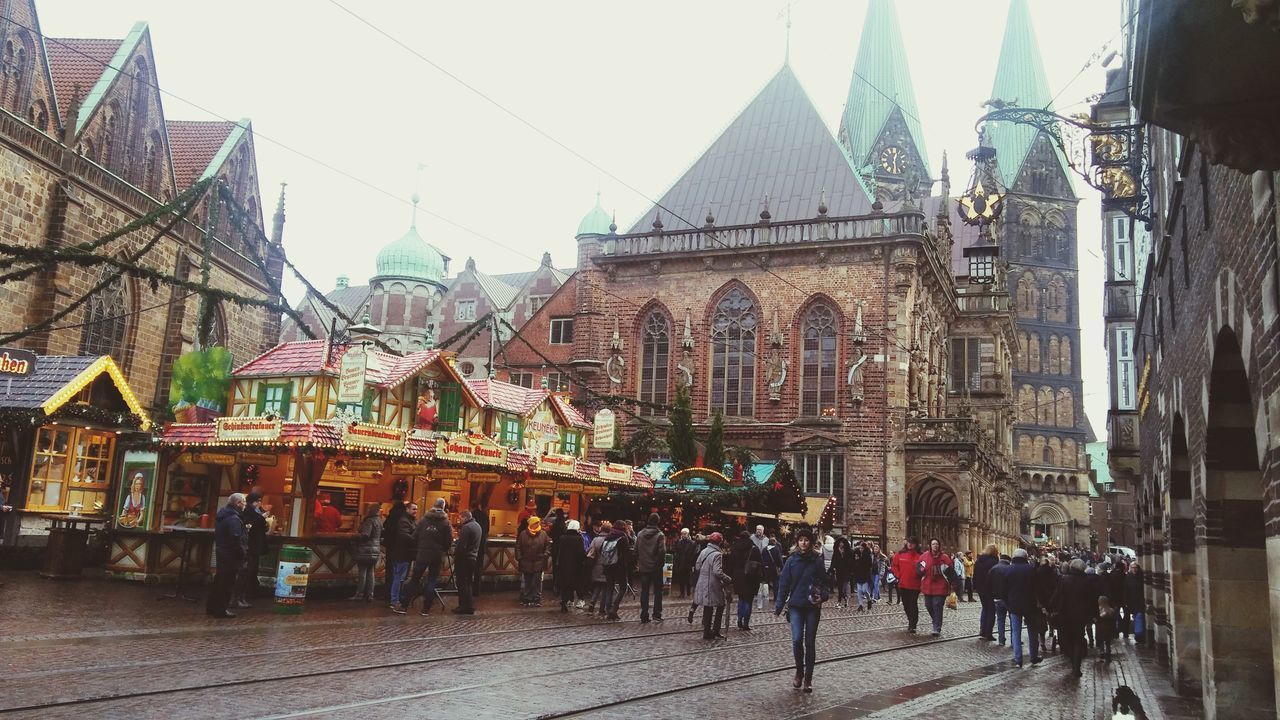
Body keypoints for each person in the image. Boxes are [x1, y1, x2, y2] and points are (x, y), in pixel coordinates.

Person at [774, 527, 829, 693]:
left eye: (806, 540)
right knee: (797, 639)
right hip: (796, 605)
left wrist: (824, 596)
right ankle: (799, 670)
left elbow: (825, 582)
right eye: (801, 540)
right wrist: (779, 605)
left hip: (812, 605)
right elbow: (784, 583)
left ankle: (808, 677)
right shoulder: (791, 560)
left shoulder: (817, 559)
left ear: (811, 542)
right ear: (797, 542)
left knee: (809, 642)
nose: (803, 543)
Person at [398, 498, 452, 615]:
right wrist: (442, 549)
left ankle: (404, 606)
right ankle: (426, 609)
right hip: (437, 555)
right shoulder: (445, 522)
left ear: (433, 505)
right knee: (432, 581)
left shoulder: (424, 520)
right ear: (443, 507)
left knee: (414, 579)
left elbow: (414, 536)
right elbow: (449, 541)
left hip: (422, 554)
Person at [1052, 558, 1097, 677]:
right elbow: (1093, 600)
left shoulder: (1064, 579)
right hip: (1080, 616)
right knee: (1077, 640)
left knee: (1065, 640)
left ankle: (1073, 661)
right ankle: (1076, 667)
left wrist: (1050, 608)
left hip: (1065, 615)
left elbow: (1057, 595)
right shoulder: (1087, 581)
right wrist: (1094, 615)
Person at [207, 493, 247, 618]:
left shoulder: (224, 515)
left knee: (219, 581)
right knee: (227, 583)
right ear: (238, 503)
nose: (245, 504)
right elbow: (236, 538)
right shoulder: (233, 519)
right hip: (231, 555)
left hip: (222, 552)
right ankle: (221, 609)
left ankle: (212, 607)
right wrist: (243, 552)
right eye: (243, 502)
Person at [1005, 548, 1042, 668]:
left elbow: (1004, 589)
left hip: (1014, 605)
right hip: (1030, 605)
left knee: (1016, 632)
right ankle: (1033, 656)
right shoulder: (1031, 569)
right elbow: (1037, 587)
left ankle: (1018, 660)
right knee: (1032, 631)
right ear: (1025, 557)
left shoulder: (1008, 569)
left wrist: (1008, 602)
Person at [232, 492, 267, 609]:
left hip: (254, 546)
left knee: (249, 573)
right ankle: (237, 598)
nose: (260, 503)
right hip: (250, 546)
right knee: (244, 573)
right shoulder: (248, 512)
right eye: (258, 500)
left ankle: (242, 597)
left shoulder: (256, 511)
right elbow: (250, 525)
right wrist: (263, 518)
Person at [693, 532, 730, 640]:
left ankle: (707, 632)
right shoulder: (717, 554)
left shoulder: (704, 551)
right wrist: (727, 578)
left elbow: (697, 566)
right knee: (720, 605)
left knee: (708, 607)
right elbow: (717, 571)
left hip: (702, 582)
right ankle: (715, 630)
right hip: (713, 584)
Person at [634, 513, 666, 623]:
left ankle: (644, 615)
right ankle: (657, 614)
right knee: (658, 591)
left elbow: (636, 550)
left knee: (644, 591)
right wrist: (659, 564)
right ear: (658, 521)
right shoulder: (660, 535)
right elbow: (662, 551)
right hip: (656, 568)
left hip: (644, 567)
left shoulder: (640, 534)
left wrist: (640, 562)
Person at [918, 538, 953, 636]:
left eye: (937, 544)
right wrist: (920, 570)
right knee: (928, 606)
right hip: (928, 586)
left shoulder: (944, 558)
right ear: (930, 545)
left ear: (939, 546)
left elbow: (951, 572)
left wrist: (954, 585)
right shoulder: (924, 556)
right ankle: (936, 620)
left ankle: (937, 627)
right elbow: (919, 567)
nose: (935, 546)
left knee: (937, 606)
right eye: (933, 544)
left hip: (941, 586)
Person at [387, 502, 418, 611]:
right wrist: (416, 538)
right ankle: (394, 600)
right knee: (398, 577)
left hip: (406, 554)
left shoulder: (410, 521)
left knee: (401, 578)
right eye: (413, 509)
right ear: (407, 509)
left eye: (416, 509)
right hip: (402, 554)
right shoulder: (404, 521)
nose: (415, 511)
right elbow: (405, 536)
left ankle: (398, 599)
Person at [730, 530, 763, 630]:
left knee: (741, 599)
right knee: (748, 600)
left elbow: (731, 562)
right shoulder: (754, 548)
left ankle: (739, 620)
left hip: (738, 577)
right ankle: (746, 623)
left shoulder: (735, 547)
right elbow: (760, 563)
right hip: (750, 577)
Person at [350, 502, 382, 601]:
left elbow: (365, 535)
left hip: (366, 549)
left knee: (362, 572)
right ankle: (370, 594)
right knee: (371, 572)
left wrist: (355, 535)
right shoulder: (379, 520)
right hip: (375, 548)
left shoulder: (369, 521)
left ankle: (359, 594)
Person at [599, 520, 631, 620]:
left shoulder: (608, 537)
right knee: (623, 588)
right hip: (619, 567)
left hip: (607, 566)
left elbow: (601, 550)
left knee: (610, 587)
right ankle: (614, 608)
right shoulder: (623, 537)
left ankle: (609, 611)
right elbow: (626, 554)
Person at [516, 514, 550, 607]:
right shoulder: (523, 534)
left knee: (537, 582)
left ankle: (536, 599)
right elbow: (518, 547)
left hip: (539, 561)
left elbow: (548, 546)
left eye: (537, 523)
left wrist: (545, 555)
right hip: (526, 561)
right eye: (535, 523)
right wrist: (520, 557)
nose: (537, 524)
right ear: (531, 524)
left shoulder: (543, 534)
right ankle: (527, 599)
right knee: (527, 581)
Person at [890, 538, 922, 633]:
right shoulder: (900, 554)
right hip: (903, 584)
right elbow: (894, 566)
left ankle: (913, 624)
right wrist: (898, 575)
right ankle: (910, 620)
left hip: (915, 585)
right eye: (909, 543)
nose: (910, 544)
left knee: (913, 604)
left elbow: (924, 567)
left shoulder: (920, 556)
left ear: (916, 544)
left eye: (912, 543)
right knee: (906, 604)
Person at [452, 510, 482, 614]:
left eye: (460, 519)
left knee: (462, 583)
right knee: (468, 583)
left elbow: (462, 546)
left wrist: (456, 557)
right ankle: (469, 605)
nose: (460, 521)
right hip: (473, 558)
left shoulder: (466, 528)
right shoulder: (477, 526)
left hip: (464, 559)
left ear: (464, 518)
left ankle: (463, 606)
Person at [556, 520, 588, 613]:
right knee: (577, 583)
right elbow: (581, 553)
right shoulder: (579, 538)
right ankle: (579, 600)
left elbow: (559, 551)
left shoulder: (562, 537)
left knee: (566, 583)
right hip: (576, 565)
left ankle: (566, 600)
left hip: (564, 564)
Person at [973, 544, 999, 641]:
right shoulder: (994, 561)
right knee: (991, 610)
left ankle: (982, 631)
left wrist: (975, 586)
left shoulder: (979, 560)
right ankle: (988, 632)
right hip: (990, 588)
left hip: (981, 589)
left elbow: (975, 574)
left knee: (985, 608)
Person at [586, 520, 611, 614]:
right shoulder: (610, 540)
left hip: (596, 566)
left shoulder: (596, 539)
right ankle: (602, 609)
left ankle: (591, 605)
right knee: (605, 588)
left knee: (597, 587)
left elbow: (589, 551)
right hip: (607, 566)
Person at [989, 553, 1012, 645]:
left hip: (997, 598)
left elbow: (988, 584)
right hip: (1009, 598)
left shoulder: (993, 568)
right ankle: (1014, 639)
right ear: (1008, 561)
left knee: (1000, 619)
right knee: (1012, 619)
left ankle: (1001, 640)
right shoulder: (1010, 569)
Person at [1124, 561, 1146, 644]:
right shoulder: (1128, 577)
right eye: (1132, 567)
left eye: (1136, 567)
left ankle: (1139, 635)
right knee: (1136, 617)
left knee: (1139, 617)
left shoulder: (1141, 577)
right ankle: (1138, 634)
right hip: (1131, 601)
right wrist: (1125, 601)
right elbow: (1126, 590)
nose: (1134, 569)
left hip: (1140, 600)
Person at [830, 536, 854, 609]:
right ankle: (839, 601)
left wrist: (851, 570)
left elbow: (851, 562)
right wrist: (832, 568)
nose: (841, 544)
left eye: (842, 543)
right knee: (840, 587)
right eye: (840, 543)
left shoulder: (848, 551)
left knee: (845, 586)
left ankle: (846, 600)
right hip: (839, 571)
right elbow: (833, 560)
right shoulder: (836, 551)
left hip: (846, 571)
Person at [471, 501, 489, 597]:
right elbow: (487, 530)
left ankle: (468, 589)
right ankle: (476, 590)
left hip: (471, 547)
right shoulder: (485, 516)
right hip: (481, 545)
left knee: (469, 569)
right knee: (478, 569)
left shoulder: (471, 516)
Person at [673, 528, 697, 598]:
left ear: (688, 534)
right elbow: (676, 552)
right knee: (681, 579)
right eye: (682, 533)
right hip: (680, 563)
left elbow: (694, 553)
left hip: (688, 563)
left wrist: (692, 563)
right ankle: (682, 592)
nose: (684, 535)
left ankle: (689, 592)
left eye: (685, 533)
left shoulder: (692, 543)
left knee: (688, 579)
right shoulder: (679, 542)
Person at [851, 541, 874, 612]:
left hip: (865, 576)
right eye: (860, 548)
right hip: (858, 575)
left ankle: (869, 600)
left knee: (864, 590)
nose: (861, 549)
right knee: (859, 591)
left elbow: (869, 565)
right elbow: (854, 565)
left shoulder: (867, 556)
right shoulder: (857, 554)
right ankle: (861, 605)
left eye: (862, 548)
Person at [1096, 595, 1118, 661]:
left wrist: (1096, 620)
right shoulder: (1110, 610)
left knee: (1101, 641)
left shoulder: (1099, 610)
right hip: (1109, 629)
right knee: (1108, 643)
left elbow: (1099, 617)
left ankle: (1102, 652)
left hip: (1101, 629)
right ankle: (1108, 653)